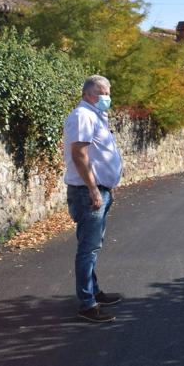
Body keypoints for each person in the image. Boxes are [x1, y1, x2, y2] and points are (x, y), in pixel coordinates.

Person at [64, 75, 123, 323]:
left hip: (98, 190)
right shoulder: (83, 116)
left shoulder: (94, 115)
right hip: (88, 193)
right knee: (88, 249)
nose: (108, 97)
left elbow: (98, 154)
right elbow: (79, 154)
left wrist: (107, 186)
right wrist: (93, 189)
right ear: (90, 95)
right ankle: (87, 304)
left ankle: (94, 292)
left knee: (92, 246)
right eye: (104, 93)